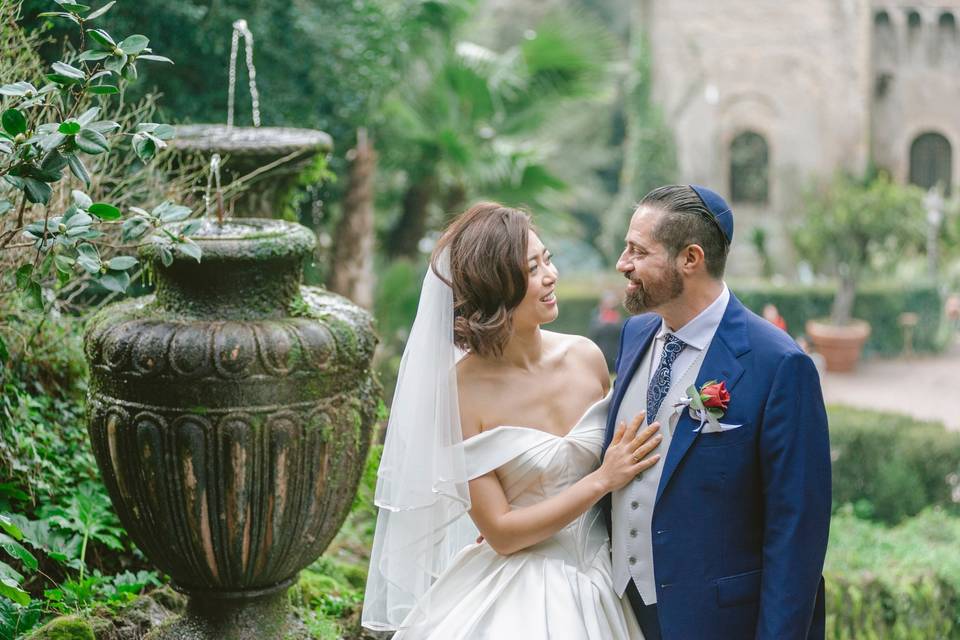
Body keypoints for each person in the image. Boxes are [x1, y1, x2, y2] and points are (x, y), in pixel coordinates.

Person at [362, 202, 661, 638]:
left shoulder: (586, 357)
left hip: (610, 579)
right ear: (494, 287)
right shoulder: (461, 392)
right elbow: (500, 532)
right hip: (522, 588)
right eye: (531, 268)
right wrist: (601, 481)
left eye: (548, 259)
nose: (550, 276)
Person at [605, 185, 831, 639]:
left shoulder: (779, 364)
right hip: (618, 612)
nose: (622, 264)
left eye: (637, 251)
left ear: (690, 259)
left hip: (717, 622)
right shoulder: (634, 335)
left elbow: (797, 533)